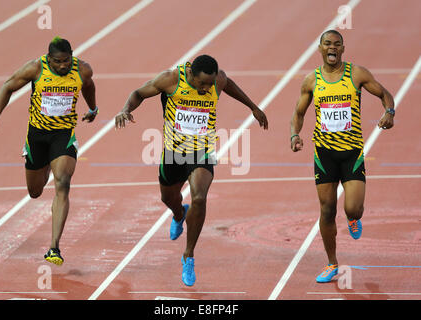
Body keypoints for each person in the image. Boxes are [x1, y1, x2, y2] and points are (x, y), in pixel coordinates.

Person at [115, 54, 268, 286]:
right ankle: (178, 214)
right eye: (202, 84)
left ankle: (188, 255)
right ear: (190, 75)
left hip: (201, 152)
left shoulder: (218, 80)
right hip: (173, 152)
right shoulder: (171, 79)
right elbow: (138, 93)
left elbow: (229, 85)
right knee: (168, 197)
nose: (207, 88)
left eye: (210, 83)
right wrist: (126, 109)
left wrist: (253, 107)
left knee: (200, 196)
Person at [0, 36, 99, 266]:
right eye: (57, 62)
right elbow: (7, 87)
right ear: (49, 59)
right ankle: (45, 165)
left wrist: (93, 108)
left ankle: (54, 247)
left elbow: (89, 85)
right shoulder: (36, 68)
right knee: (35, 192)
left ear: (72, 56)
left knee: (63, 183)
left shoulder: (82, 69)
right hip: (37, 136)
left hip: (63, 135)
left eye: (66, 60)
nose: (63, 65)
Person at [290, 30, 395, 282]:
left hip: (352, 153)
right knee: (326, 211)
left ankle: (353, 218)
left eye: (337, 44)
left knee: (353, 208)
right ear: (320, 48)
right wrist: (294, 134)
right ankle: (331, 263)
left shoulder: (356, 74)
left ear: (343, 49)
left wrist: (389, 111)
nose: (332, 48)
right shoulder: (311, 81)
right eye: (327, 44)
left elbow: (384, 94)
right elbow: (299, 113)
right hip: (324, 154)